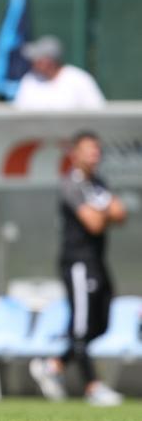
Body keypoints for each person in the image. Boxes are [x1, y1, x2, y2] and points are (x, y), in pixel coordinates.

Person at [29, 131, 126, 406]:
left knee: (102, 323)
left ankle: (54, 364)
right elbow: (95, 222)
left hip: (98, 262)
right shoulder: (70, 185)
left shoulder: (99, 184)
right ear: (75, 154)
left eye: (97, 149)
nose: (94, 154)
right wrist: (107, 211)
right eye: (88, 149)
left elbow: (122, 214)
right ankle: (92, 386)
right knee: (82, 326)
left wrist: (103, 211)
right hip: (78, 263)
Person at [13, 36, 106, 111]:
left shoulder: (79, 79)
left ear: (49, 61)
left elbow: (97, 111)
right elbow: (19, 111)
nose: (33, 63)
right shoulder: (29, 79)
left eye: (37, 59)